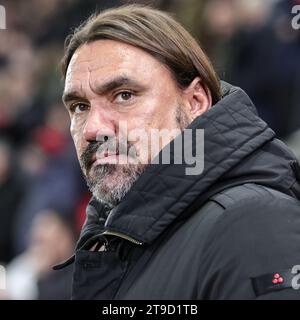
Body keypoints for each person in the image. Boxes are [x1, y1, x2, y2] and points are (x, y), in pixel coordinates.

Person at [55, 4, 300, 299]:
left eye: (124, 95)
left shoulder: (253, 224)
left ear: (195, 102)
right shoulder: (116, 236)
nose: (93, 128)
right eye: (80, 107)